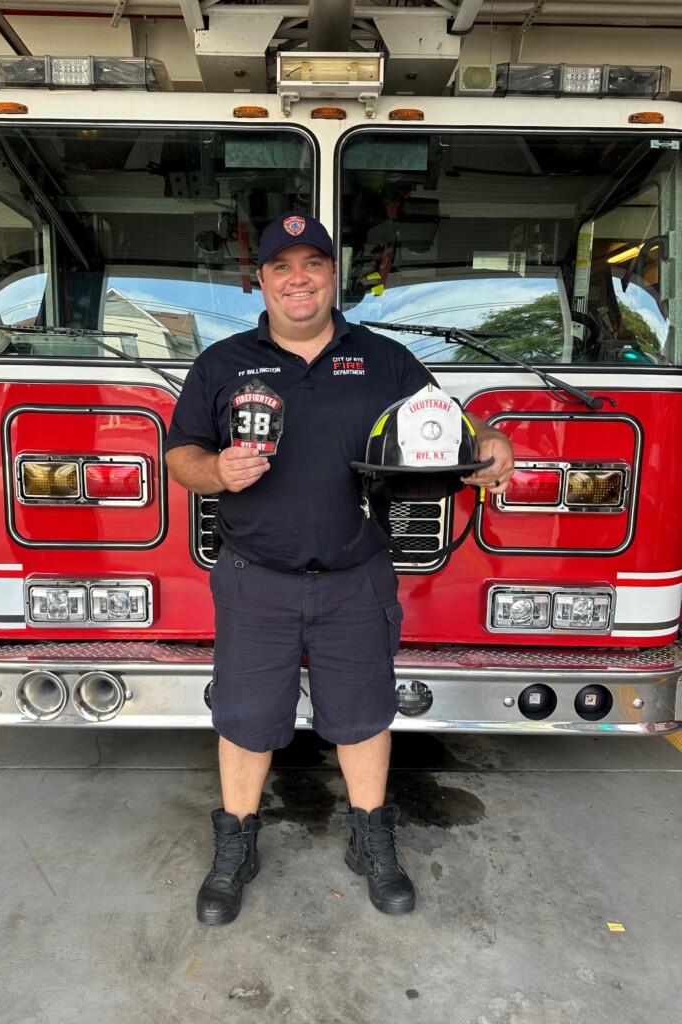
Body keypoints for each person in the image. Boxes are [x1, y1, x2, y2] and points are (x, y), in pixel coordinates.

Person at [164, 212, 514, 926]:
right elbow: (181, 456)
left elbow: (449, 426)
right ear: (259, 282)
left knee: (361, 719)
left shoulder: (384, 359)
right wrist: (217, 471)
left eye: (313, 265)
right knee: (244, 718)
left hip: (357, 574)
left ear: (333, 277)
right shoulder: (223, 363)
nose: (299, 279)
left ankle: (372, 842)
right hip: (255, 575)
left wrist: (493, 442)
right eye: (282, 267)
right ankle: (235, 844)